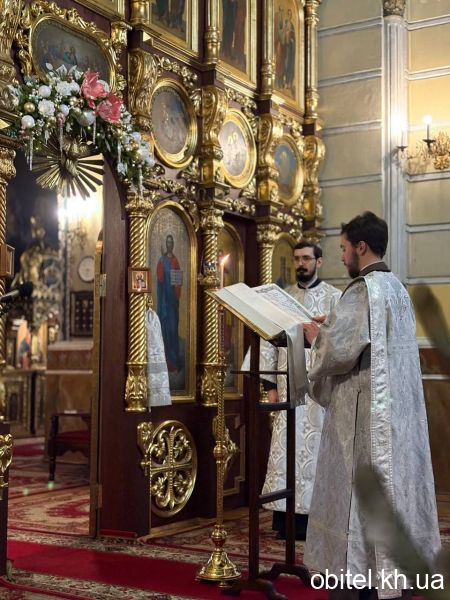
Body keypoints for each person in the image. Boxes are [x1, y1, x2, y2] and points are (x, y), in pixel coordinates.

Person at [302, 212, 441, 599]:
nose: (342, 256)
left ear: (361, 247)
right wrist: (333, 325)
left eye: (344, 248)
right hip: (394, 416)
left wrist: (316, 337)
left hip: (364, 418)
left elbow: (338, 352)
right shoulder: (396, 288)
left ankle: (360, 581)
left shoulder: (362, 290)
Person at [260, 241, 341, 540]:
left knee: (318, 451)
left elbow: (341, 342)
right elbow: (267, 341)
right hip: (287, 387)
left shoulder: (335, 298)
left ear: (319, 261)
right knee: (286, 451)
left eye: (306, 258)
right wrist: (269, 384)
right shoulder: (283, 299)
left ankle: (316, 522)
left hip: (320, 390)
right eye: (296, 259)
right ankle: (285, 521)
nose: (301, 264)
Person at [156, 234, 182, 372]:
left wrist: (175, 295)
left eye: (171, 242)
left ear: (173, 245)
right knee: (165, 331)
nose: (169, 244)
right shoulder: (162, 260)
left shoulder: (175, 261)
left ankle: (174, 362)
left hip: (173, 304)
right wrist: (163, 264)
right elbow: (159, 280)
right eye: (168, 242)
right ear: (166, 244)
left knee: (173, 330)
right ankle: (166, 362)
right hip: (164, 303)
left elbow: (178, 283)